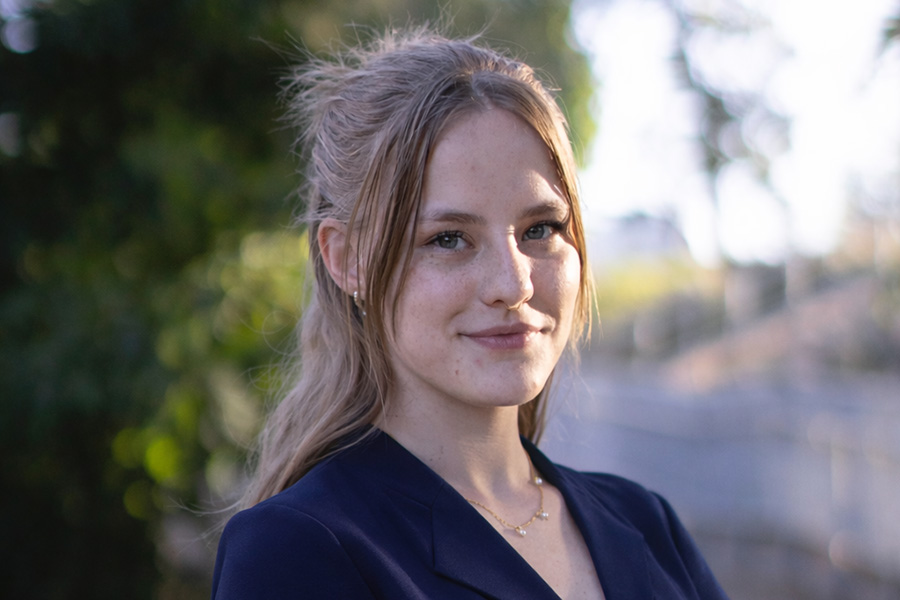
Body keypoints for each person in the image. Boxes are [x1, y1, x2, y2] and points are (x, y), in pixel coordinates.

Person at [211, 26, 729, 600]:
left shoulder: (645, 525)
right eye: (449, 239)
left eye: (540, 229)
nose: (514, 284)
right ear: (346, 259)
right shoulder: (298, 550)